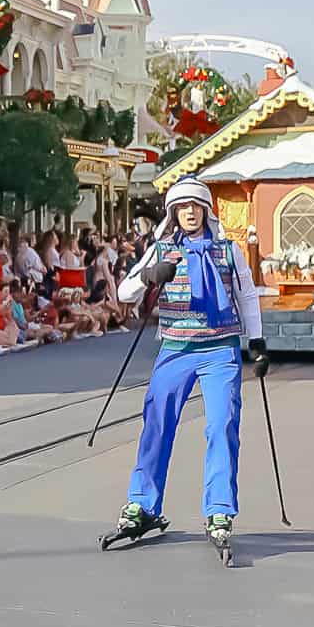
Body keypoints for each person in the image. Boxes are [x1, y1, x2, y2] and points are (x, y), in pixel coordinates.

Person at [111, 178, 267, 559]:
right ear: (173, 213)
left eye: (195, 206)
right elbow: (124, 293)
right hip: (176, 348)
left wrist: (258, 342)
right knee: (157, 423)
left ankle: (219, 511)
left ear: (205, 211)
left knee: (222, 425)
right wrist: (152, 274)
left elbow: (246, 295)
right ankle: (144, 504)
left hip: (220, 349)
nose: (190, 212)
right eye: (182, 207)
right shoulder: (161, 250)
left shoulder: (228, 251)